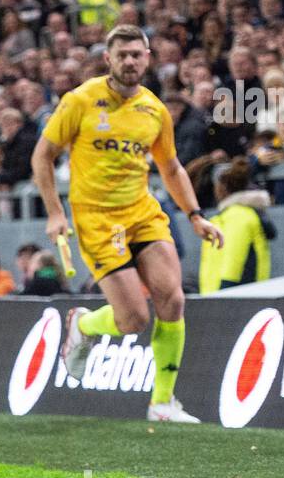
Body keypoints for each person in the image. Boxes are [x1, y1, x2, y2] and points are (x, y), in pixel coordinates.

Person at [32, 24, 224, 422]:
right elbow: (42, 156)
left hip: (142, 213)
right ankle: (84, 324)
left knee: (173, 298)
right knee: (133, 320)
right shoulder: (81, 100)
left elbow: (170, 166)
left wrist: (195, 215)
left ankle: (162, 403)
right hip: (97, 220)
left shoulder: (154, 109)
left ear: (148, 57)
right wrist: (55, 212)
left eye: (137, 54)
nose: (130, 61)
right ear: (108, 59)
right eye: (122, 55)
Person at [198, 159, 274, 293]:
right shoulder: (229, 215)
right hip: (217, 296)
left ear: (223, 188)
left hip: (232, 298)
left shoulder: (238, 215)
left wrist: (224, 291)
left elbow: (234, 261)